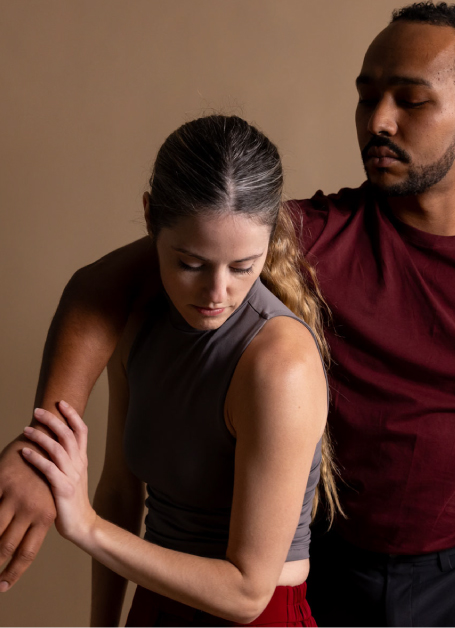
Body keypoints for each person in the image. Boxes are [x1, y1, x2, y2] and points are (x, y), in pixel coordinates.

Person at [0, 2, 455, 627]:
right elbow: (98, 289)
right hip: (334, 573)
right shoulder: (299, 239)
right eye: (367, 96)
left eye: (410, 100)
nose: (379, 120)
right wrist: (35, 453)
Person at [11, 114, 341, 627]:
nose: (216, 295)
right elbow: (121, 490)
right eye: (190, 264)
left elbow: (246, 593)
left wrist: (86, 528)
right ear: (149, 219)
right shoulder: (139, 320)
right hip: (155, 608)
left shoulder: (281, 367)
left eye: (242, 267)